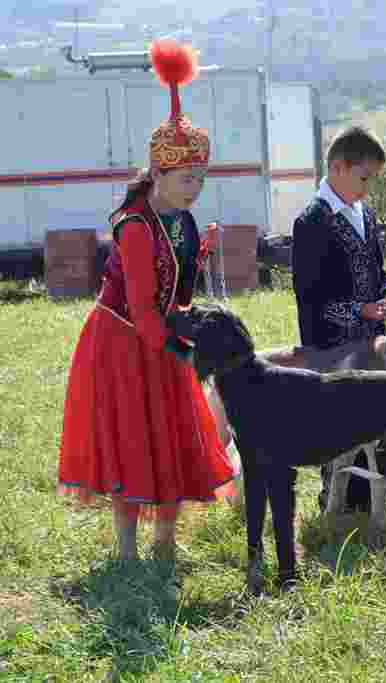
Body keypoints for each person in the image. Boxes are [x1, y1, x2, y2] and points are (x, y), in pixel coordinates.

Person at [57, 39, 237, 563]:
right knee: (131, 437)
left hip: (163, 335)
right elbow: (140, 308)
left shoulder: (183, 221)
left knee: (174, 432)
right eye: (186, 179)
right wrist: (185, 352)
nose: (195, 188)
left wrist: (197, 262)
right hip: (122, 341)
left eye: (201, 179)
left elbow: (175, 296)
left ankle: (165, 541)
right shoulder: (135, 226)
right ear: (158, 174)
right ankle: (129, 549)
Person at [290, 126, 386, 516]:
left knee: (375, 421)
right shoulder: (311, 222)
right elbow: (312, 298)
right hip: (332, 348)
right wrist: (360, 310)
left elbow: (380, 271)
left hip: (373, 342)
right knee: (338, 425)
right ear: (338, 167)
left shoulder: (365, 214)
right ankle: (335, 502)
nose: (368, 189)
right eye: (364, 178)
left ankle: (373, 497)